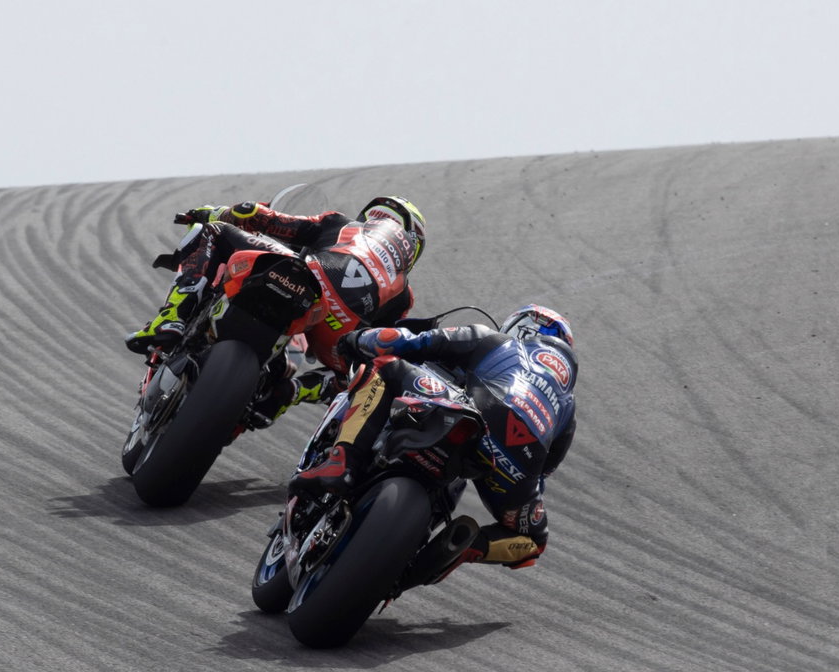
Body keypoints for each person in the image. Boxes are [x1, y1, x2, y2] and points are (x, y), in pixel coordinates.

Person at [290, 304, 578, 582]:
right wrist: (520, 491)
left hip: (474, 410)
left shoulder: (496, 341)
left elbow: (409, 342)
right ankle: (455, 551)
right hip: (517, 464)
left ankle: (343, 462)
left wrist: (356, 339)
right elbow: (544, 471)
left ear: (520, 327)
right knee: (533, 541)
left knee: (385, 367)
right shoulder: (568, 406)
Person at [124, 195, 427, 425]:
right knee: (355, 375)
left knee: (213, 231)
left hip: (311, 273)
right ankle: (288, 392)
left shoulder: (344, 225)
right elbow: (378, 346)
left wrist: (213, 212)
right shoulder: (403, 295)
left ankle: (173, 318)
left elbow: (258, 215)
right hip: (336, 328)